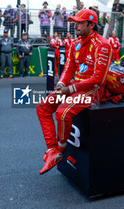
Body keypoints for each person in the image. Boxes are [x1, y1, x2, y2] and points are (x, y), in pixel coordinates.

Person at [36, 9, 112, 175]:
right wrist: (61, 84)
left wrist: (69, 88)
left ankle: (61, 149)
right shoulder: (75, 43)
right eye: (75, 22)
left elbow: (99, 79)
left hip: (93, 92)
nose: (75, 25)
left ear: (91, 25)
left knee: (62, 113)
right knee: (42, 107)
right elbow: (69, 68)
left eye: (79, 22)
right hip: (75, 87)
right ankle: (52, 150)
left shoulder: (103, 45)